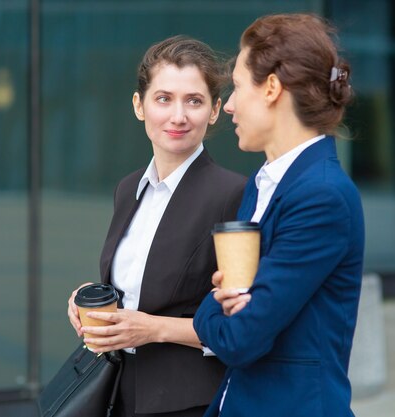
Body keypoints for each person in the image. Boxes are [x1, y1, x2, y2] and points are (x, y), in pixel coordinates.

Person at [193, 13, 364, 417]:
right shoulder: (263, 183)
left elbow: (240, 338)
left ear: (271, 87)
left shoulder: (323, 197)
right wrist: (228, 302)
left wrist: (209, 305)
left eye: (236, 86)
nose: (230, 105)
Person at [67, 35, 246, 417]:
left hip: (188, 401)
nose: (178, 116)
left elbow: (244, 324)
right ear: (139, 105)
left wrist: (152, 329)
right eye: (163, 98)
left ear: (214, 111)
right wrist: (91, 296)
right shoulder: (128, 188)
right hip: (116, 391)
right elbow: (138, 288)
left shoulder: (233, 194)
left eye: (193, 101)